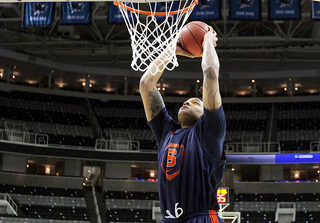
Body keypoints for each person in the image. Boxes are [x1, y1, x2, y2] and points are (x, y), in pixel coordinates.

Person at [140, 27, 226, 223]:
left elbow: (210, 71)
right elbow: (146, 84)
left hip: (202, 218)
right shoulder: (166, 131)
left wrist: (206, 42)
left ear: (206, 112)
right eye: (186, 101)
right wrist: (173, 49)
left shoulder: (210, 131)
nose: (187, 102)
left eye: (196, 102)